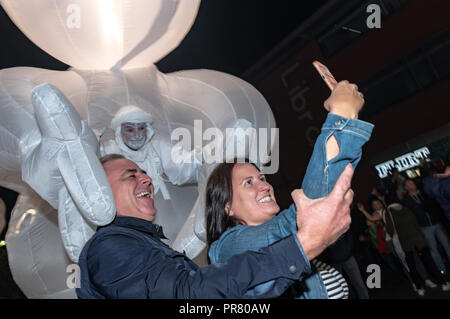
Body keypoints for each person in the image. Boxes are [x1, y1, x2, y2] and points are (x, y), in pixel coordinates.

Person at [76, 154, 354, 299]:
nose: (147, 179)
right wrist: (304, 245)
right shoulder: (109, 247)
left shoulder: (143, 246)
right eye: (131, 175)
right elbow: (190, 296)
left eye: (145, 172)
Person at [205, 80, 373, 299]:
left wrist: (347, 119)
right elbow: (303, 215)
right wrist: (342, 114)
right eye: (248, 183)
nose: (265, 186)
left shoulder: (295, 246)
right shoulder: (227, 249)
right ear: (227, 207)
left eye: (262, 178)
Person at [384, 202, 450, 294]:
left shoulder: (389, 213)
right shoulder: (407, 209)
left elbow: (391, 230)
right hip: (418, 239)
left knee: (412, 266)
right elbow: (416, 223)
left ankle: (419, 288)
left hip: (406, 242)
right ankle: (444, 283)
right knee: (429, 262)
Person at [403, 178, 450, 277]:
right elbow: (414, 213)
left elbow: (433, 205)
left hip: (435, 223)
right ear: (406, 188)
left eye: (412, 182)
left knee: (446, 245)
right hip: (425, 227)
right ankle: (442, 270)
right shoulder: (407, 200)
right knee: (433, 249)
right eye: (409, 184)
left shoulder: (424, 193)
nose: (412, 184)